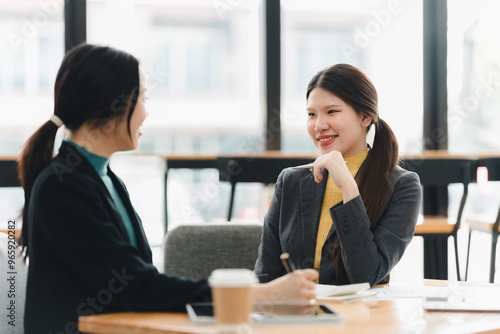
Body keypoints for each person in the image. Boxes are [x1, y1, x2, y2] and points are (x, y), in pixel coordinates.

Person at [18, 44, 317, 334]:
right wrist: (261, 294)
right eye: (143, 98)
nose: (146, 113)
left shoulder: (105, 179)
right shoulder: (62, 186)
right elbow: (133, 286)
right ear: (112, 107)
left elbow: (140, 282)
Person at [254, 64, 421, 286]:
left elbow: (366, 277)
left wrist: (350, 191)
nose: (319, 126)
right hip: (295, 315)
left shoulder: (402, 186)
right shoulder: (290, 180)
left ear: (365, 116)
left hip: (360, 316)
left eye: (331, 112)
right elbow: (266, 275)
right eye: (312, 115)